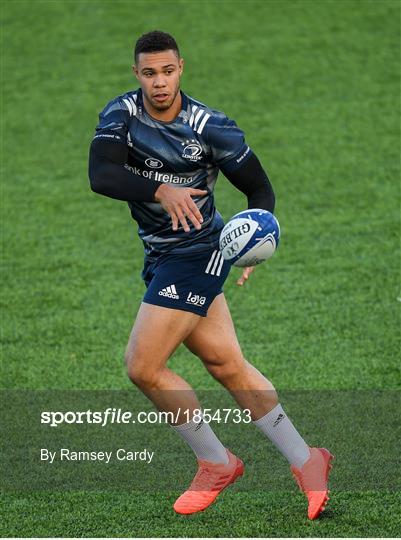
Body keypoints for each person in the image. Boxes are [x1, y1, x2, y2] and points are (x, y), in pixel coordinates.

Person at [88, 30, 333, 519]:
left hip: (198, 253)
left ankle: (215, 462)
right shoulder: (121, 114)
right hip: (160, 254)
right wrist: (162, 189)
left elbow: (260, 192)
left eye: (168, 71)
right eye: (149, 73)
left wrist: (253, 247)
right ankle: (308, 461)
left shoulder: (211, 127)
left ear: (182, 67)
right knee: (227, 366)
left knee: (143, 366)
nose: (160, 82)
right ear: (137, 74)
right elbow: (101, 175)